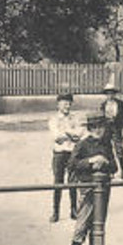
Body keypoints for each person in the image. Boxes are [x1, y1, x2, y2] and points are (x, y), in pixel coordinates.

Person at [61, 114, 115, 245]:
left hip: (104, 188)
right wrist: (91, 161)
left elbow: (114, 167)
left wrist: (105, 162)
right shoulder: (83, 144)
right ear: (90, 129)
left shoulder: (106, 144)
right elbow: (71, 165)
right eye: (95, 127)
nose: (99, 130)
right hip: (88, 188)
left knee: (98, 223)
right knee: (82, 224)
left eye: (101, 127)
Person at [48, 90, 81, 222]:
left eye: (69, 103)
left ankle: (73, 210)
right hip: (59, 153)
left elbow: (79, 134)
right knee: (58, 182)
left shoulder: (74, 118)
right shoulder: (54, 119)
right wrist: (70, 134)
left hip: (72, 153)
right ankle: (55, 211)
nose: (67, 106)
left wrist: (67, 134)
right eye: (64, 103)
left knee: (73, 182)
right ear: (58, 105)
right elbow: (56, 137)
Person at [100, 79, 123, 179]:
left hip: (117, 128)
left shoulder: (119, 104)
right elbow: (101, 118)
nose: (110, 96)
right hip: (107, 129)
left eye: (112, 93)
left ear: (114, 94)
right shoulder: (103, 105)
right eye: (108, 93)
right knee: (107, 150)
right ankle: (111, 171)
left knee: (119, 150)